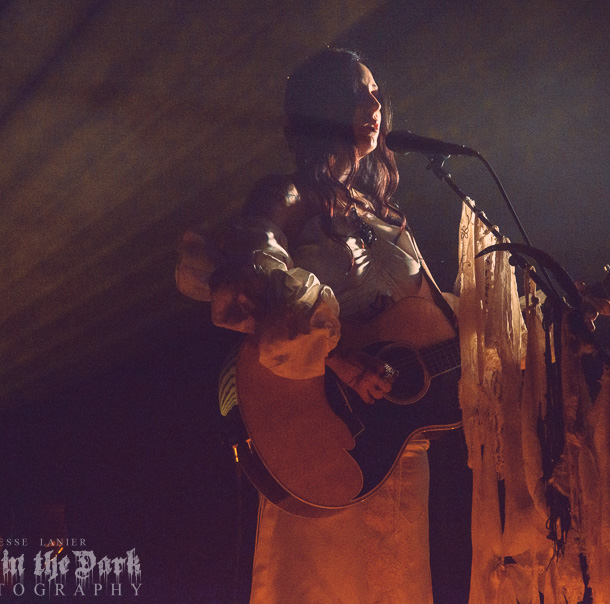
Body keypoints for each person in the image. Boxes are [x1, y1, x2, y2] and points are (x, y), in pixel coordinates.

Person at [176, 48, 441, 603]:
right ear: (323, 107)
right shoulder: (288, 195)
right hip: (321, 429)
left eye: (376, 93)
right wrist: (338, 356)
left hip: (398, 443)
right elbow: (253, 277)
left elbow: (430, 319)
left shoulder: (383, 213)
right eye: (357, 92)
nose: (374, 104)